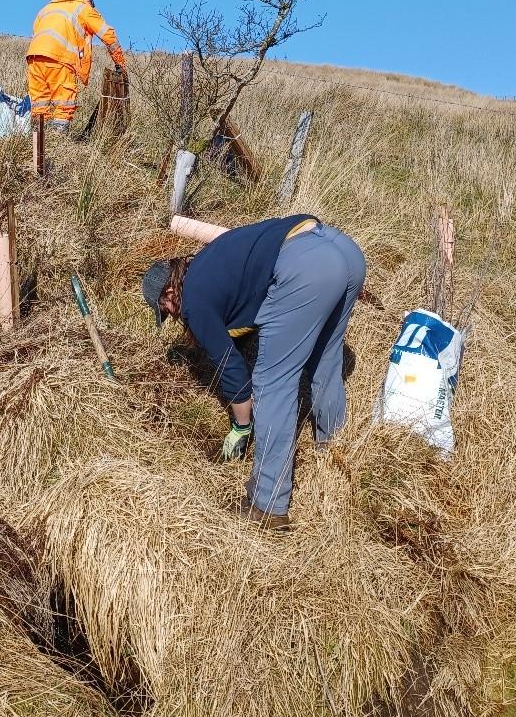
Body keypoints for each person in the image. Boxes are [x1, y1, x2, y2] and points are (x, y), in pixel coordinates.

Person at [141, 215, 366, 529]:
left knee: (274, 383)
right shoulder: (207, 263)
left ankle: (268, 504)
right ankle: (335, 452)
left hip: (308, 268)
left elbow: (231, 368)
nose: (171, 317)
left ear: (168, 295)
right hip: (341, 248)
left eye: (165, 312)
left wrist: (241, 425)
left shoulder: (194, 301)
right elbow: (245, 313)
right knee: (325, 362)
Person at [26, 0, 125, 133]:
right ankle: (57, 141)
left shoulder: (46, 9)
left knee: (39, 104)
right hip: (60, 59)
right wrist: (120, 64)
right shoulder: (84, 8)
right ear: (89, 2)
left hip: (34, 58)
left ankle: (37, 141)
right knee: (64, 104)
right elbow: (108, 35)